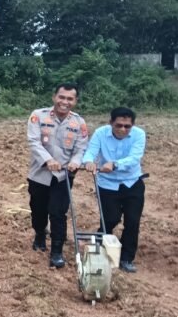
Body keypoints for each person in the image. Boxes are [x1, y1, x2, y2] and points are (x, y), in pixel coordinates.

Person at [26, 83, 89, 268]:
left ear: (75, 101)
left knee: (58, 213)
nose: (65, 102)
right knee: (38, 210)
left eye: (70, 99)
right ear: (54, 97)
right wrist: (47, 160)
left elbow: (81, 148)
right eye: (62, 97)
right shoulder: (38, 116)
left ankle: (56, 252)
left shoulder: (79, 123)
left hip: (63, 176)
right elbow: (34, 142)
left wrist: (76, 161)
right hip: (39, 174)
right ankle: (39, 233)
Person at [82, 107, 146, 273]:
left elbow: (134, 158)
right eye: (119, 125)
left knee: (132, 221)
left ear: (132, 125)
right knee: (110, 218)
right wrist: (89, 162)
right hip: (108, 184)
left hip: (132, 183)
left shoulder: (139, 134)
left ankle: (126, 258)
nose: (123, 129)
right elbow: (90, 151)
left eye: (127, 126)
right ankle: (100, 242)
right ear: (111, 123)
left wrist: (115, 164)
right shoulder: (101, 133)